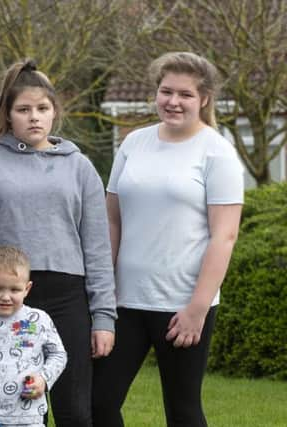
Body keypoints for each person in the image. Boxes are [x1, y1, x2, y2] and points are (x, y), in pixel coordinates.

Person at [91, 52, 244, 427]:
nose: (173, 102)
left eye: (185, 95)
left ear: (204, 98)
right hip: (124, 302)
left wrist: (198, 308)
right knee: (99, 402)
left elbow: (224, 236)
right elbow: (112, 219)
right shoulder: (133, 143)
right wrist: (103, 289)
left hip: (183, 305)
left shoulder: (218, 152)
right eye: (166, 91)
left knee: (183, 410)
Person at [0, 60, 116, 426]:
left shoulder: (79, 166)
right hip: (8, 298)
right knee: (15, 408)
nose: (34, 117)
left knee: (75, 411)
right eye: (23, 109)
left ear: (54, 111)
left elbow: (97, 246)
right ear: (7, 113)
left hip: (68, 297)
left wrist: (103, 317)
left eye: (42, 108)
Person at [0, 246, 67, 427]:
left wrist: (44, 379)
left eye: (14, 290)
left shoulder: (39, 320)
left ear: (27, 288)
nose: (5, 297)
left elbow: (58, 355)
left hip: (28, 420)